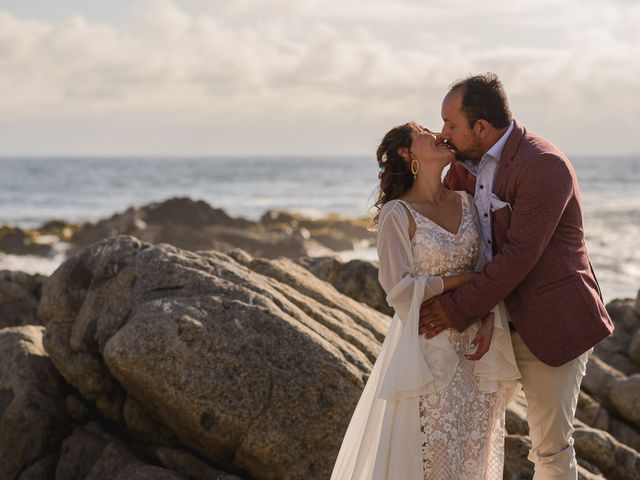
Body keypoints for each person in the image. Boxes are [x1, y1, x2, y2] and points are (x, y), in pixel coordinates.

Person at [420, 73, 614, 480]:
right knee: (470, 437)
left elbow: (518, 257)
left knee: (550, 450)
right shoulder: (462, 168)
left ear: (481, 128)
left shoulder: (544, 165)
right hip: (491, 322)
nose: (443, 133)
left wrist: (456, 309)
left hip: (551, 322)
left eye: (450, 124)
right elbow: (465, 241)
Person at [331, 122, 520, 480]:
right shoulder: (397, 214)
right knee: (432, 462)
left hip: (475, 354)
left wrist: (489, 321)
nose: (437, 132)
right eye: (422, 130)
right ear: (407, 153)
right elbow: (398, 289)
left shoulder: (466, 202)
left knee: (474, 457)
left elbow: (487, 268)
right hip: (427, 354)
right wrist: (461, 280)